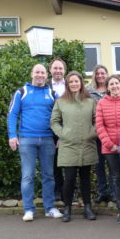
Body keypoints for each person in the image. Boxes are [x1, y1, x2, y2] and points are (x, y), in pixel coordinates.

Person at [8, 63, 63, 222]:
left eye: (43, 72)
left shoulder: (52, 93)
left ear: (47, 75)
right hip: (26, 140)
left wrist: (59, 136)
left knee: (48, 175)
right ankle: (29, 209)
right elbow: (12, 114)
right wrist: (12, 135)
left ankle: (49, 208)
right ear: (32, 74)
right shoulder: (22, 92)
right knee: (27, 176)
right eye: (37, 72)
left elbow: (60, 117)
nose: (40, 75)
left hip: (47, 140)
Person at [51, 71, 98, 222]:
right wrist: (63, 134)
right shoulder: (61, 101)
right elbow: (54, 122)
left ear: (81, 83)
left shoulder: (90, 101)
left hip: (87, 143)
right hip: (68, 145)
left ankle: (87, 208)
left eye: (76, 81)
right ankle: (67, 209)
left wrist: (93, 132)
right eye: (71, 82)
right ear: (67, 84)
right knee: (69, 179)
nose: (74, 84)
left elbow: (98, 119)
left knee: (85, 179)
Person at [96, 75, 120, 224]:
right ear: (107, 87)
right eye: (111, 84)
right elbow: (99, 126)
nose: (114, 86)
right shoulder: (101, 103)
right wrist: (110, 145)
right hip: (109, 149)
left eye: (116, 83)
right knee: (116, 179)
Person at [87, 65, 114, 203]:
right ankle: (103, 192)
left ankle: (115, 193)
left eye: (103, 73)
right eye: (97, 73)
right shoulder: (88, 91)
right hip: (96, 134)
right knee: (99, 165)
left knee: (112, 165)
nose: (100, 76)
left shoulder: (112, 88)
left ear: (107, 74)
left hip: (111, 134)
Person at [48, 57, 67, 202]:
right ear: (50, 70)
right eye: (55, 68)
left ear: (64, 70)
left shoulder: (72, 85)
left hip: (69, 129)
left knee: (70, 162)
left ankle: (70, 191)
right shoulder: (45, 86)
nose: (58, 71)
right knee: (54, 162)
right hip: (51, 130)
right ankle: (58, 191)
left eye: (60, 68)